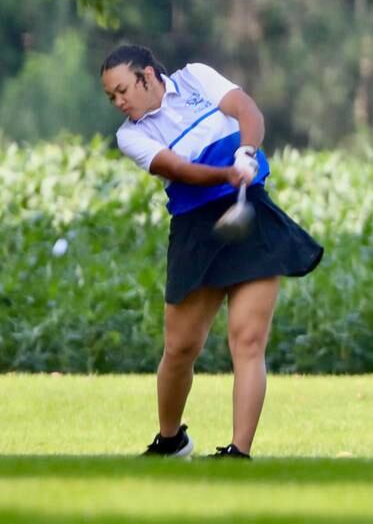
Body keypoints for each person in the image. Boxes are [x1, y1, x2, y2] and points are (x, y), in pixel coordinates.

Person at [100, 44, 323, 459]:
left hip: (249, 213)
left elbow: (246, 110)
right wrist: (226, 172)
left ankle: (239, 451)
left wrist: (247, 153)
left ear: (148, 75)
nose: (119, 101)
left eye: (122, 90)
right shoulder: (131, 135)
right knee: (181, 348)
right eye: (111, 96)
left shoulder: (195, 78)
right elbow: (178, 170)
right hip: (196, 230)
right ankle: (171, 440)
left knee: (248, 340)